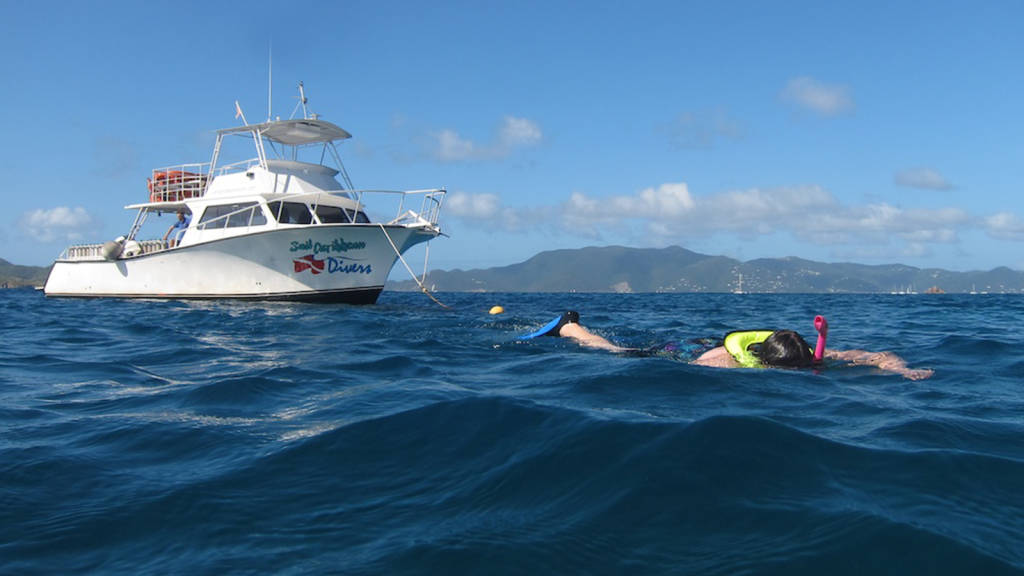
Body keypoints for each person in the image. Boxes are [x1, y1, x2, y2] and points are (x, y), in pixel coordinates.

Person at [522, 311, 934, 380]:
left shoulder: (803, 356)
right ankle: (570, 328)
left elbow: (873, 356)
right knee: (612, 352)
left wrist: (899, 369)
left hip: (702, 341)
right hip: (687, 351)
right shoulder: (728, 364)